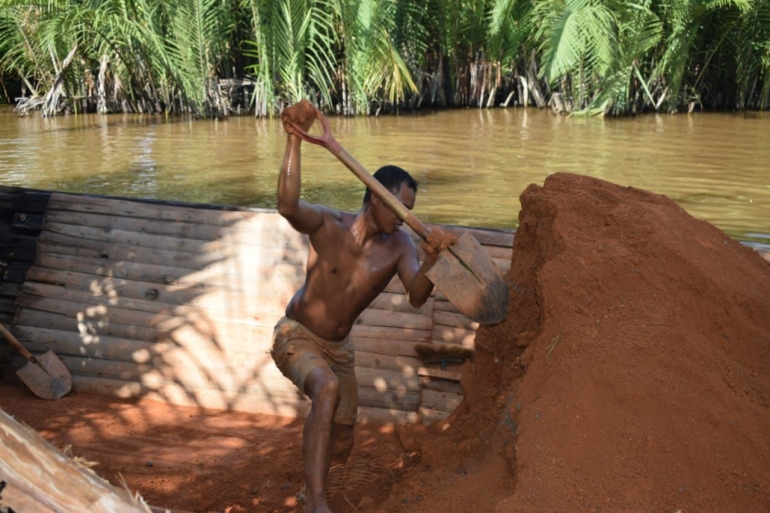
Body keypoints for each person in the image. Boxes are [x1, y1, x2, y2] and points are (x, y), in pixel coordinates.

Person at [270, 101, 457, 513]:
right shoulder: (327, 224)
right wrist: (293, 140)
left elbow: (417, 295)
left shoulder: (401, 246)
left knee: (342, 443)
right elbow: (287, 206)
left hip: (341, 351)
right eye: (398, 207)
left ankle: (310, 488)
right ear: (375, 197)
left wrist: (434, 260)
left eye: (408, 211)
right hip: (296, 336)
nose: (403, 218)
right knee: (327, 390)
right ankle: (317, 505)